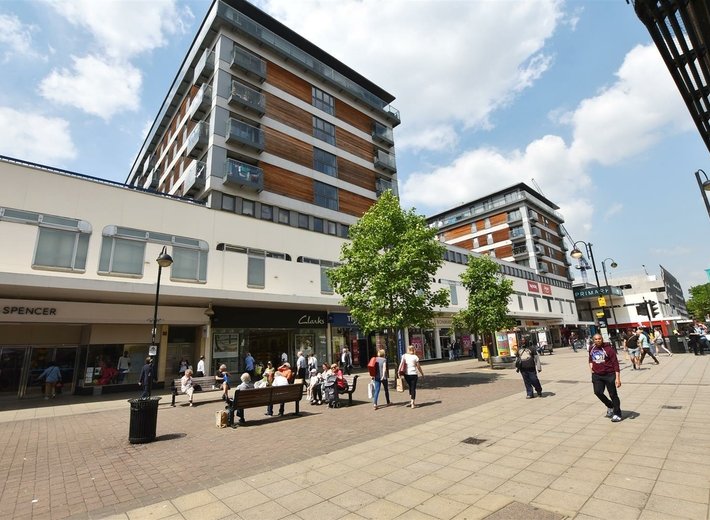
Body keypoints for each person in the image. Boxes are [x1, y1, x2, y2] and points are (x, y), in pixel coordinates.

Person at [589, 334, 622, 422]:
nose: (598, 340)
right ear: (593, 340)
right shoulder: (592, 348)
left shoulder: (608, 349)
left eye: (599, 339)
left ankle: (617, 413)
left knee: (613, 394)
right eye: (596, 339)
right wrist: (591, 369)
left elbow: (615, 364)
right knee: (597, 392)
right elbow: (590, 360)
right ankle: (610, 406)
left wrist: (618, 378)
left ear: (602, 339)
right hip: (597, 375)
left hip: (609, 375)